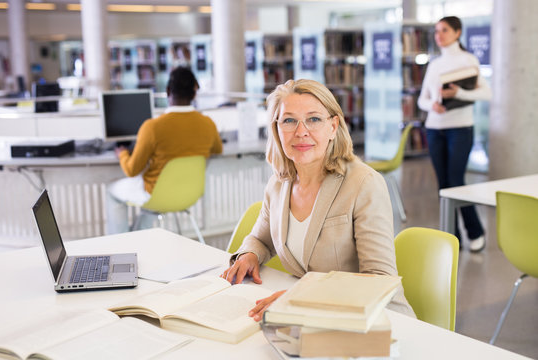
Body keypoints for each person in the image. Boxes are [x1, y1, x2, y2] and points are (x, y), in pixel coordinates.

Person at [221, 79, 415, 321]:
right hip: (313, 319)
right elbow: (261, 239)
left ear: (333, 126)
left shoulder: (364, 184)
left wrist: (300, 296)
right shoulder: (279, 185)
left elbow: (379, 280)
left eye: (313, 119)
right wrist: (249, 255)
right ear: (276, 129)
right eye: (289, 120)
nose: (301, 131)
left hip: (375, 321)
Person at [106, 67, 222, 234]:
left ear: (168, 91)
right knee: (150, 201)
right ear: (194, 94)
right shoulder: (208, 124)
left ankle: (119, 245)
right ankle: (137, 237)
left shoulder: (152, 127)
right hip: (190, 194)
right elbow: (217, 149)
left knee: (112, 191)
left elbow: (131, 170)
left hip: (156, 194)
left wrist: (123, 153)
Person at [417, 16, 492, 252]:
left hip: (460, 128)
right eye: (437, 31)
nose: (439, 35)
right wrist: (433, 106)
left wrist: (459, 92)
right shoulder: (434, 64)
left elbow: (485, 94)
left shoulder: (469, 60)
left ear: (457, 32)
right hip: (435, 129)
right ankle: (452, 237)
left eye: (445, 30)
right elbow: (422, 99)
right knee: (443, 184)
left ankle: (475, 231)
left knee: (456, 181)